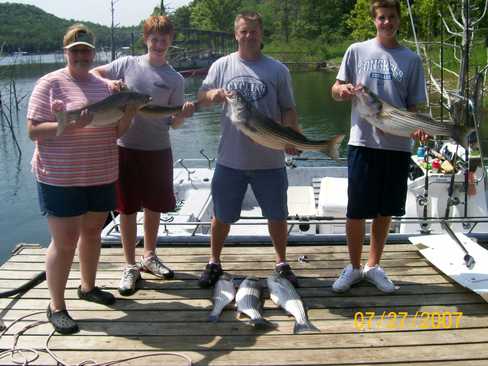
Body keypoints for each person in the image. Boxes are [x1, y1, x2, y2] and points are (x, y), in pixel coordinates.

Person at [27, 24, 136, 334]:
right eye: (75, 51)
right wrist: (69, 126)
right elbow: (33, 130)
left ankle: (87, 287)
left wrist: (128, 112)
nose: (81, 56)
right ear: (66, 53)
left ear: (93, 53)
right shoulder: (49, 84)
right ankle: (56, 306)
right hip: (60, 177)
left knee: (92, 233)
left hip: (100, 173)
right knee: (64, 243)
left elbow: (116, 132)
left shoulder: (104, 87)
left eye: (86, 51)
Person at [196, 11, 301, 288]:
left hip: (271, 158)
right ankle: (214, 262)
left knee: (277, 215)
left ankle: (281, 262)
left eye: (253, 31)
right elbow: (201, 98)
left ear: (261, 34)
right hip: (230, 159)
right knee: (221, 215)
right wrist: (214, 95)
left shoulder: (277, 69)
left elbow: (288, 108)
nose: (248, 36)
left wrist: (292, 135)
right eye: (243, 31)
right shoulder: (221, 65)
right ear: (236, 34)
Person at [91, 16, 195, 296]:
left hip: (158, 149)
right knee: (126, 209)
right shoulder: (126, 64)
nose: (159, 44)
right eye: (154, 39)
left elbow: (173, 123)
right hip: (125, 147)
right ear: (146, 39)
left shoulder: (175, 78)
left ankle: (149, 256)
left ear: (170, 41)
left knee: (154, 206)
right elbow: (96, 74)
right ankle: (129, 264)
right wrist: (111, 86)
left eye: (164, 39)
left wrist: (182, 116)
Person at [330, 0, 428, 293]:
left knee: (385, 210)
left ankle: (373, 266)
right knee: (356, 210)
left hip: (397, 145)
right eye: (381, 17)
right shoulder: (357, 51)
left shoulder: (411, 59)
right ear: (374, 20)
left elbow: (412, 106)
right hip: (363, 142)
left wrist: (419, 127)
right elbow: (335, 90)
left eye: (391, 17)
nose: (386, 22)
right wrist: (343, 90)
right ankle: (354, 267)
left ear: (398, 20)